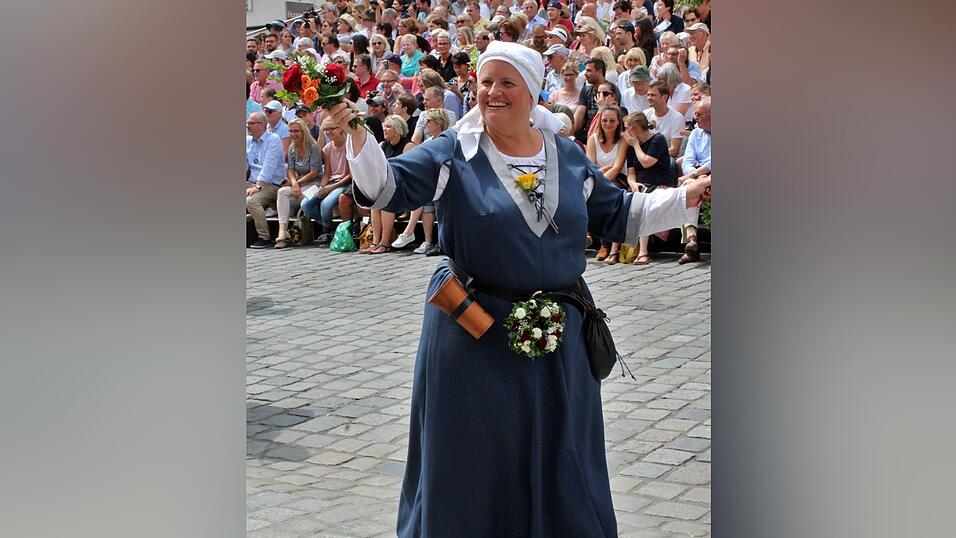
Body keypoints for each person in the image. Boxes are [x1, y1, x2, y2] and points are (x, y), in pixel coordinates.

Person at [322, 40, 710, 537]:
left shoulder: (567, 156)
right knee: (472, 449)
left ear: (530, 91)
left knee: (561, 445)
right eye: (486, 82)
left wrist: (685, 197)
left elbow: (617, 214)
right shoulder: (452, 154)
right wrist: (356, 131)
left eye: (507, 82)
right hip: (473, 332)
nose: (494, 92)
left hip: (556, 336)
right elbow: (385, 189)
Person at [622, 110, 676, 265]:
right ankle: (614, 251)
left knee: (644, 203)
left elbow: (646, 162)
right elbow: (631, 172)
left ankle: (643, 252)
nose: (625, 132)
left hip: (660, 184)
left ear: (634, 128)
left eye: (627, 128)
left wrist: (636, 145)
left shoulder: (657, 140)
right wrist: (632, 184)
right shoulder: (632, 146)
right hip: (641, 185)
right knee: (624, 201)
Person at [301, 117, 352, 247]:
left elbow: (350, 175)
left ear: (340, 129)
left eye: (332, 129)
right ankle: (326, 224)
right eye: (326, 130)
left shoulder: (349, 146)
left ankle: (326, 231)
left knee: (326, 204)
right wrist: (322, 187)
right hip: (330, 182)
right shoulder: (328, 148)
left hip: (343, 183)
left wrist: (330, 188)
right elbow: (327, 173)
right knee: (305, 204)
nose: (329, 132)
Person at [275, 118, 323, 248]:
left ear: (303, 131)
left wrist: (296, 184)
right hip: (300, 182)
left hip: (315, 183)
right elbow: (290, 170)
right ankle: (282, 232)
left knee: (297, 196)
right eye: (290, 131)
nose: (293, 134)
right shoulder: (292, 148)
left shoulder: (313, 147)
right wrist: (294, 184)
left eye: (296, 131)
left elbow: (314, 172)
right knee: (282, 192)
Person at [676, 97, 711, 264]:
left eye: (699, 114)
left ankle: (692, 242)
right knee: (686, 190)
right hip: (698, 179)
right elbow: (688, 160)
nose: (695, 118)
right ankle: (691, 241)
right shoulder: (696, 134)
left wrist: (698, 174)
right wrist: (695, 175)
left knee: (690, 186)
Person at [245, 112, 286, 249]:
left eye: (251, 123)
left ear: (261, 125)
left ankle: (264, 236)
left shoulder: (273, 140)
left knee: (252, 201)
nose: (247, 126)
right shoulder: (247, 141)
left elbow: (269, 167)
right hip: (252, 181)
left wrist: (258, 186)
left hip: (271, 184)